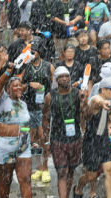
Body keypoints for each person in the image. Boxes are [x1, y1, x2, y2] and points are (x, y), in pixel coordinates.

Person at [42, 66, 87, 198]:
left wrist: (84, 102)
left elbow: (86, 114)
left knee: (71, 171)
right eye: (61, 76)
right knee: (62, 172)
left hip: (75, 138)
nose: (64, 79)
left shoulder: (78, 93)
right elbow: (45, 118)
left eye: (66, 76)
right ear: (56, 79)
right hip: (58, 139)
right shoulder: (50, 96)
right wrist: (45, 140)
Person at [74, 78, 111, 198]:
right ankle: (78, 188)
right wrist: (102, 103)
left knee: (110, 171)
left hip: (104, 140)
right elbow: (97, 103)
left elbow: (105, 119)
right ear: (103, 90)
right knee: (91, 176)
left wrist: (108, 128)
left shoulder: (106, 101)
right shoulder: (96, 100)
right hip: (91, 142)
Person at [0, 69, 32, 198]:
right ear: (8, 89)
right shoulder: (2, 100)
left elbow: (26, 126)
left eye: (20, 85)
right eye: (15, 85)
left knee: (26, 179)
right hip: (5, 148)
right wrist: (8, 72)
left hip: (23, 148)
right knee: (6, 181)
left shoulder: (24, 105)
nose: (19, 87)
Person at [22, 42, 55, 184]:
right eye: (30, 52)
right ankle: (36, 168)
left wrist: (50, 96)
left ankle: (45, 167)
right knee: (30, 136)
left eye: (34, 52)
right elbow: (19, 85)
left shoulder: (48, 66)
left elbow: (55, 86)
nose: (31, 54)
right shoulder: (26, 66)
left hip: (45, 106)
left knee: (44, 136)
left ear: (39, 53)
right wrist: (30, 84)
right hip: (29, 105)